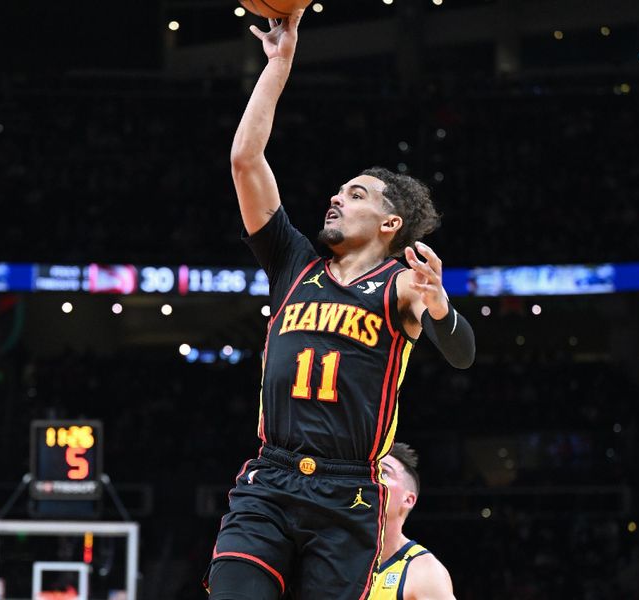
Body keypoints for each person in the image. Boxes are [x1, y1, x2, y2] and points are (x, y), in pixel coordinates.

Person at [204, 10, 474, 600]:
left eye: (355, 194)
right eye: (339, 189)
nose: (335, 196)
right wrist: (278, 66)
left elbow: (461, 353)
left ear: (389, 222)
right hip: (270, 477)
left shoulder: (399, 284)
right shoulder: (291, 261)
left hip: (348, 493)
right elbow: (245, 162)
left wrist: (440, 306)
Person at [370, 442, 456, 600]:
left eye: (383, 472)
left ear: (408, 499)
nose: (370, 480)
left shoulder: (425, 573)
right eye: (367, 472)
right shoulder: (333, 557)